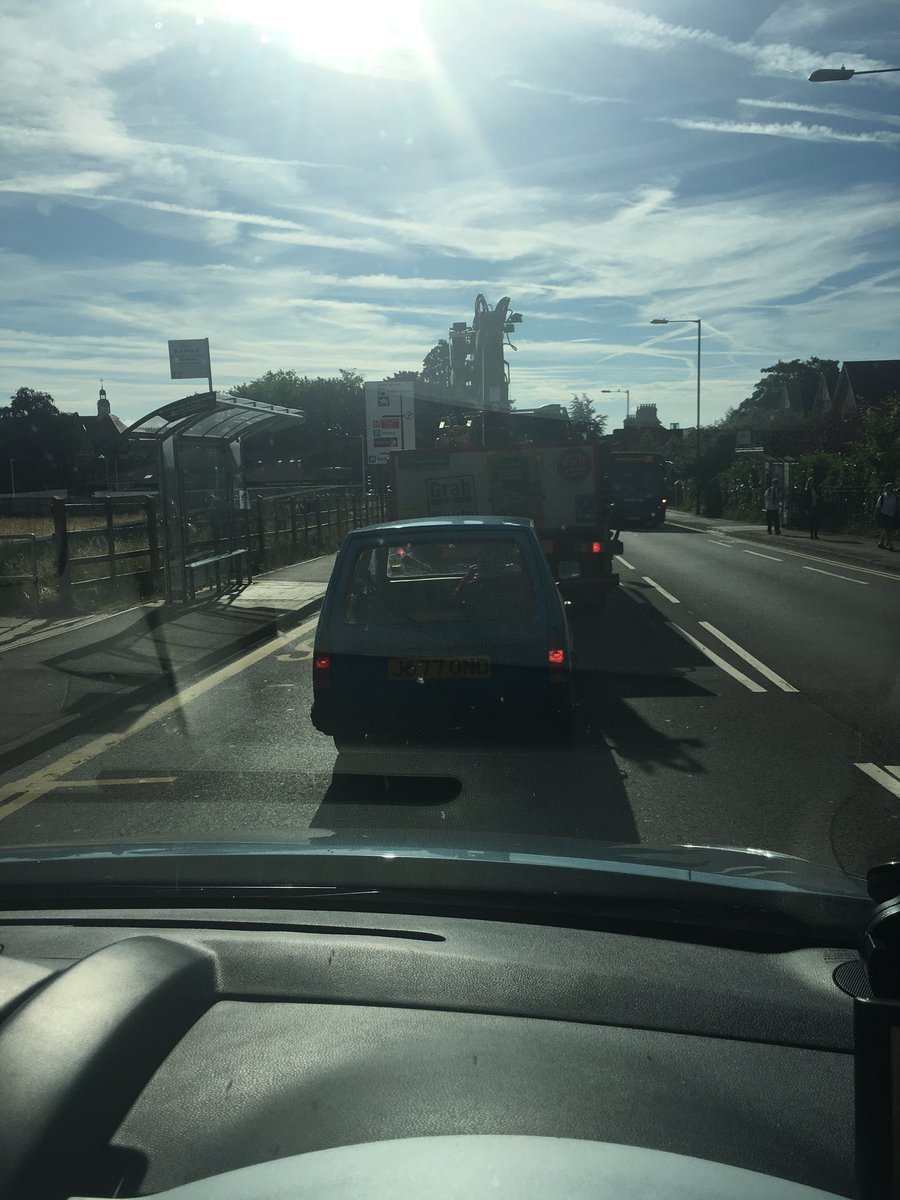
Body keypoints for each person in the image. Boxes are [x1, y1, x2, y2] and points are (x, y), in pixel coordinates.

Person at [875, 482, 898, 551]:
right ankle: (889, 543)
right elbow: (878, 506)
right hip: (883, 514)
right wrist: (876, 514)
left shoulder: (895, 497)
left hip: (891, 515)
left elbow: (897, 506)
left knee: (886, 529)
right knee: (886, 529)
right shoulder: (882, 496)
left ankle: (881, 542)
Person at [806, 475, 821, 540]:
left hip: (816, 506)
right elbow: (804, 500)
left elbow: (820, 496)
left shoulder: (816, 489)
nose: (811, 483)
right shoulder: (806, 490)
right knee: (811, 521)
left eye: (812, 482)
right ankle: (811, 534)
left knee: (816, 521)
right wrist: (806, 509)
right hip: (810, 507)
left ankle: (815, 534)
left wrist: (818, 497)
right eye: (810, 482)